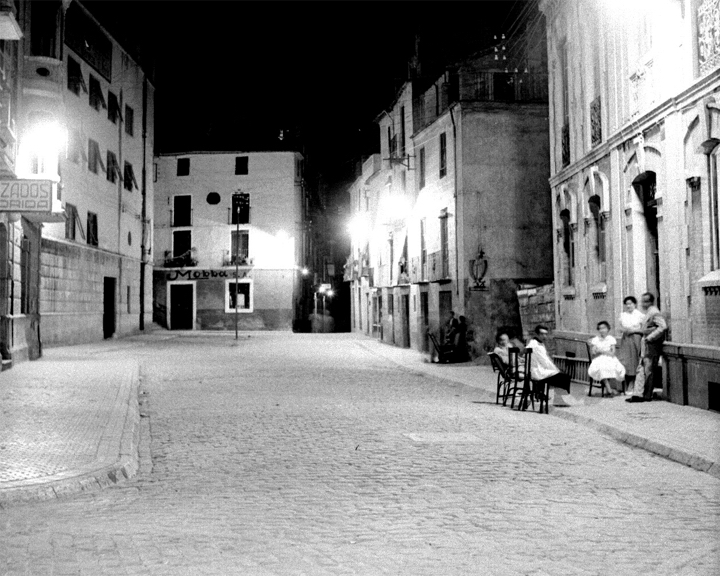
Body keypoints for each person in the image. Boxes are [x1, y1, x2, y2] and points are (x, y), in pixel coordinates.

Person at [627, 292, 667, 403]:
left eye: (645, 301)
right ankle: (638, 394)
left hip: (651, 346)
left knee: (648, 370)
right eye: (642, 301)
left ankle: (647, 395)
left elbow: (663, 327)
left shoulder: (654, 312)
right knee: (641, 369)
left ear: (650, 302)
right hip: (645, 345)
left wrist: (650, 338)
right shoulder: (648, 312)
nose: (643, 304)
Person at [526, 325, 574, 407]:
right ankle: (558, 399)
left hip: (538, 369)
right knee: (564, 377)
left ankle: (541, 393)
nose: (544, 336)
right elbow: (545, 362)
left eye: (546, 334)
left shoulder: (536, 343)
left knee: (559, 374)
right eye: (542, 334)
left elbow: (545, 360)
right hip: (537, 371)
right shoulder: (536, 345)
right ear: (537, 334)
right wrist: (557, 370)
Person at [588, 321, 626, 397]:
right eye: (600, 328)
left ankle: (609, 389)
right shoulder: (596, 339)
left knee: (618, 368)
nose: (602, 330)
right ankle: (608, 388)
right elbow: (594, 352)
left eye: (604, 328)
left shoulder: (611, 339)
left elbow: (612, 353)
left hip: (610, 358)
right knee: (601, 368)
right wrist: (599, 351)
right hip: (598, 358)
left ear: (608, 329)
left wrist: (602, 351)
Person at [617, 296, 645, 395]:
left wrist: (633, 330)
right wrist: (624, 330)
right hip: (625, 339)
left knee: (634, 361)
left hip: (635, 339)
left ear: (635, 304)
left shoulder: (640, 315)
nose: (628, 306)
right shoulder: (623, 315)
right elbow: (620, 328)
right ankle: (625, 384)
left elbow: (644, 330)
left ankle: (632, 384)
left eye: (630, 304)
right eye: (627, 304)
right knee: (625, 361)